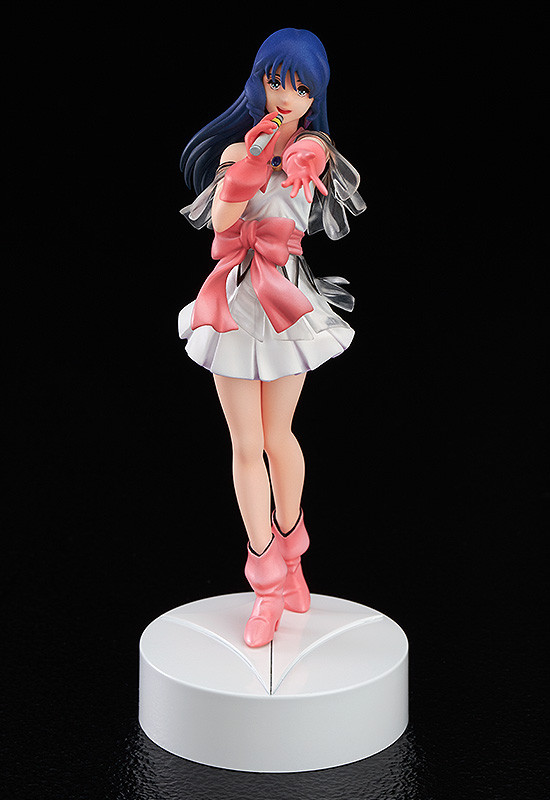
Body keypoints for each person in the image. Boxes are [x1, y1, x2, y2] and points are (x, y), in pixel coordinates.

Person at [178, 28, 365, 648]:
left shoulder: (315, 150)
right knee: (245, 442)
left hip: (286, 299)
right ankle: (264, 584)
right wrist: (250, 163)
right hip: (234, 300)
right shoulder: (238, 151)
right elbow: (221, 222)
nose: (285, 96)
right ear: (258, 81)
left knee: (279, 436)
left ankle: (294, 558)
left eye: (301, 88)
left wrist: (295, 157)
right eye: (276, 81)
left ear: (316, 98)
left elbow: (303, 197)